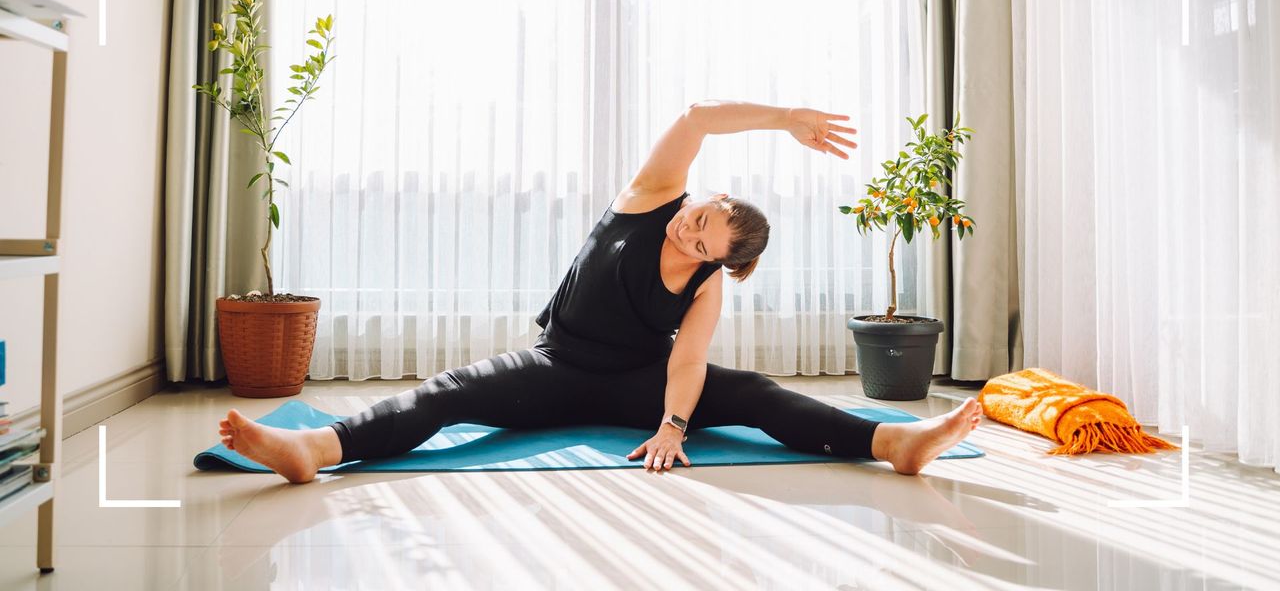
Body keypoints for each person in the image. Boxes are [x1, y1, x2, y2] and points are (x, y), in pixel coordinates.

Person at [217, 100, 983, 483]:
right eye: (702, 216)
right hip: (553, 369)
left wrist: (674, 425)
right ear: (701, 199)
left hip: (639, 388)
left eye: (708, 241)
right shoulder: (651, 196)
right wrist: (785, 120)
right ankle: (313, 450)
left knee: (751, 394)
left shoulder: (708, 287)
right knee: (445, 393)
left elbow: (688, 366)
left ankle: (896, 444)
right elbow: (698, 117)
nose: (692, 232)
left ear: (724, 261)